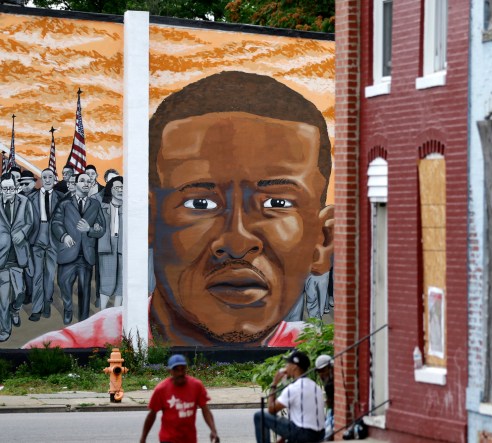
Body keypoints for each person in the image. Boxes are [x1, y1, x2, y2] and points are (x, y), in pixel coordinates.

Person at [24, 71, 333, 349]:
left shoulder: (324, 351)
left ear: (323, 242)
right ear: (148, 222)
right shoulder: (67, 349)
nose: (237, 242)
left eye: (276, 203)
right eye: (200, 204)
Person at [51, 173, 105, 324]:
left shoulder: (95, 204)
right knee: (64, 284)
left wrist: (90, 229)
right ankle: (68, 307)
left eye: (89, 181)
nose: (86, 183)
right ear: (75, 184)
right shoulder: (64, 203)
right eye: (82, 181)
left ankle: (84, 319)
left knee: (85, 288)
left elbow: (102, 229)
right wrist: (64, 236)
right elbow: (55, 223)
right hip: (68, 252)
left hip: (86, 254)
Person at [140, 354, 219, 443]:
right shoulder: (161, 389)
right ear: (170, 371)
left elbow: (205, 410)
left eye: (182, 369)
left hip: (189, 439)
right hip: (168, 439)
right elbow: (152, 414)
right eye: (176, 370)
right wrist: (143, 438)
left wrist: (213, 430)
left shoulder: (196, 386)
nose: (180, 373)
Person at [254, 350, 325, 443]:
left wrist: (274, 383)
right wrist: (283, 438)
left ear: (295, 367)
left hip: (304, 434)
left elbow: (271, 409)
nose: (285, 367)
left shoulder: (294, 388)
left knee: (259, 416)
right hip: (318, 434)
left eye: (288, 364)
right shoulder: (314, 386)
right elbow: (298, 419)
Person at [0, 173, 32, 341]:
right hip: (1, 258)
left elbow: (30, 222)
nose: (8, 191)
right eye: (4, 188)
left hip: (18, 255)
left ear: (15, 187)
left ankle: (16, 309)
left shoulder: (25, 202)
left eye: (10, 188)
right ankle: (4, 330)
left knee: (20, 292)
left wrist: (22, 232)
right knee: (2, 298)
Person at [28, 168, 62, 320]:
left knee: (49, 274)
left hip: (53, 239)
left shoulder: (61, 198)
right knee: (37, 275)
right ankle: (36, 309)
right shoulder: (32, 197)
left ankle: (47, 302)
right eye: (44, 177)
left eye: (50, 177)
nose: (47, 180)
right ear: (41, 179)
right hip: (37, 237)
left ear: (54, 179)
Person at [97, 176, 123, 309]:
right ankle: (103, 311)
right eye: (117, 187)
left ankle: (117, 311)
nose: (120, 190)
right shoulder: (102, 206)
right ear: (110, 190)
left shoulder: (129, 207)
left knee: (121, 281)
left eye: (122, 188)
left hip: (124, 246)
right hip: (107, 244)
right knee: (107, 280)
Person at [17, 171, 37, 305]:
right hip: (22, 240)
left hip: (37, 239)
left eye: (27, 183)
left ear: (34, 182)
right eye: (22, 183)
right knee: (24, 269)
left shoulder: (40, 196)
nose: (25, 186)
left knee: (35, 270)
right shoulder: (18, 198)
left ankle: (34, 293)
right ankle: (27, 293)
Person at [315, 354, 334, 441]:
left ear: (331, 368)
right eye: (319, 371)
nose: (321, 374)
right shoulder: (328, 384)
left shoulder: (331, 384)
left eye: (323, 370)